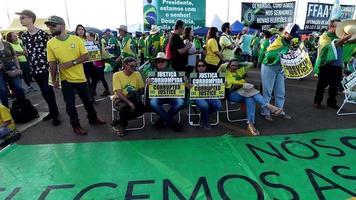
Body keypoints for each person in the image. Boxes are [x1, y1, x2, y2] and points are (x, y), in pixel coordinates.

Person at [45, 15, 105, 135]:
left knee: (87, 100)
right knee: (70, 105)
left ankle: (93, 118)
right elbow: (52, 63)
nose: (50, 28)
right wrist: (55, 79)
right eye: (49, 26)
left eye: (53, 25)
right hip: (65, 79)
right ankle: (75, 125)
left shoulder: (76, 39)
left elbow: (86, 56)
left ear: (62, 25)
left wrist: (71, 63)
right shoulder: (50, 43)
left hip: (80, 77)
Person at [16, 9, 60, 126]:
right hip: (34, 68)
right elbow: (28, 52)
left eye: (22, 17)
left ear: (30, 18)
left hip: (46, 68)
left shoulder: (43, 34)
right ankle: (53, 111)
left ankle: (55, 114)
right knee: (44, 92)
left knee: (48, 91)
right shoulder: (24, 36)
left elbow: (51, 50)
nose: (20, 20)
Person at [226, 59, 282, 135]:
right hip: (233, 94)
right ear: (228, 66)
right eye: (233, 65)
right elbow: (223, 73)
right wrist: (242, 84)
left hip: (246, 93)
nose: (235, 67)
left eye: (236, 66)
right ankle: (269, 106)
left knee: (250, 99)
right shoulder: (225, 73)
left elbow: (250, 64)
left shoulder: (239, 71)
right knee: (248, 89)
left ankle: (250, 125)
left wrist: (239, 63)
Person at [260, 23, 300, 121]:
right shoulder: (276, 39)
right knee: (268, 91)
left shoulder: (289, 41)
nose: (293, 38)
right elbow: (270, 54)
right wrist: (286, 50)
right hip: (269, 66)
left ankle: (279, 110)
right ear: (285, 32)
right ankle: (265, 111)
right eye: (291, 35)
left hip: (280, 67)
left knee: (280, 92)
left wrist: (294, 50)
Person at [313, 19, 354, 109]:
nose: (341, 29)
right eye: (339, 27)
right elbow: (329, 47)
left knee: (334, 86)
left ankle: (331, 102)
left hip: (337, 66)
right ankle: (317, 101)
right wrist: (342, 40)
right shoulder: (325, 36)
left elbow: (351, 43)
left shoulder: (339, 36)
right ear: (331, 27)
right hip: (326, 65)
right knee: (322, 85)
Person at [148, 52, 185, 131]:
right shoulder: (152, 73)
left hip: (172, 96)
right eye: (158, 61)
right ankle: (172, 122)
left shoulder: (173, 72)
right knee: (152, 103)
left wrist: (183, 80)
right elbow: (149, 88)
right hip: (158, 96)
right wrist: (148, 83)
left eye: (163, 61)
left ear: (166, 62)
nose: (160, 63)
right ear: (156, 63)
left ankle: (162, 119)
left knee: (181, 102)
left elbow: (180, 86)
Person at [112, 57, 145, 136]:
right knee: (125, 108)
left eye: (135, 66)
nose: (134, 68)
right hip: (120, 98)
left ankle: (120, 121)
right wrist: (129, 103)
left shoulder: (137, 74)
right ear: (125, 65)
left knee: (143, 109)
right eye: (132, 66)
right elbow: (119, 93)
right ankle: (123, 125)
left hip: (134, 97)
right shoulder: (117, 75)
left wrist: (145, 85)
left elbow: (141, 89)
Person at [189, 60, 222, 130]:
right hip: (197, 96)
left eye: (203, 65)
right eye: (199, 66)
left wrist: (222, 84)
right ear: (196, 67)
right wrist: (189, 85)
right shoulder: (192, 75)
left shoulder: (212, 75)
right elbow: (188, 88)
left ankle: (203, 116)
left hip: (210, 95)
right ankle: (207, 121)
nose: (201, 67)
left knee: (218, 105)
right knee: (204, 105)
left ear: (205, 67)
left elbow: (217, 86)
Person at [0, 35, 26, 108]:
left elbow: (14, 56)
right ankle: (7, 111)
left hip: (12, 68)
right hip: (0, 72)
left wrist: (18, 68)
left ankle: (24, 107)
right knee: (2, 90)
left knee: (18, 88)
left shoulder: (7, 44)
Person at [86, 32, 110, 97]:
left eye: (88, 36)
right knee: (94, 79)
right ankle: (93, 92)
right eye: (86, 36)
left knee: (101, 78)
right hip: (93, 65)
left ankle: (106, 90)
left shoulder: (96, 44)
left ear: (92, 37)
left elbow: (99, 54)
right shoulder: (86, 44)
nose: (87, 37)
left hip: (99, 65)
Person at [75, 24, 95, 102]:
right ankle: (89, 96)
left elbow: (93, 48)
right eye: (79, 29)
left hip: (90, 61)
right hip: (82, 63)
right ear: (76, 31)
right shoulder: (75, 39)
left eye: (82, 29)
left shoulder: (87, 38)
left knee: (94, 78)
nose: (81, 31)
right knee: (86, 80)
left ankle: (90, 92)